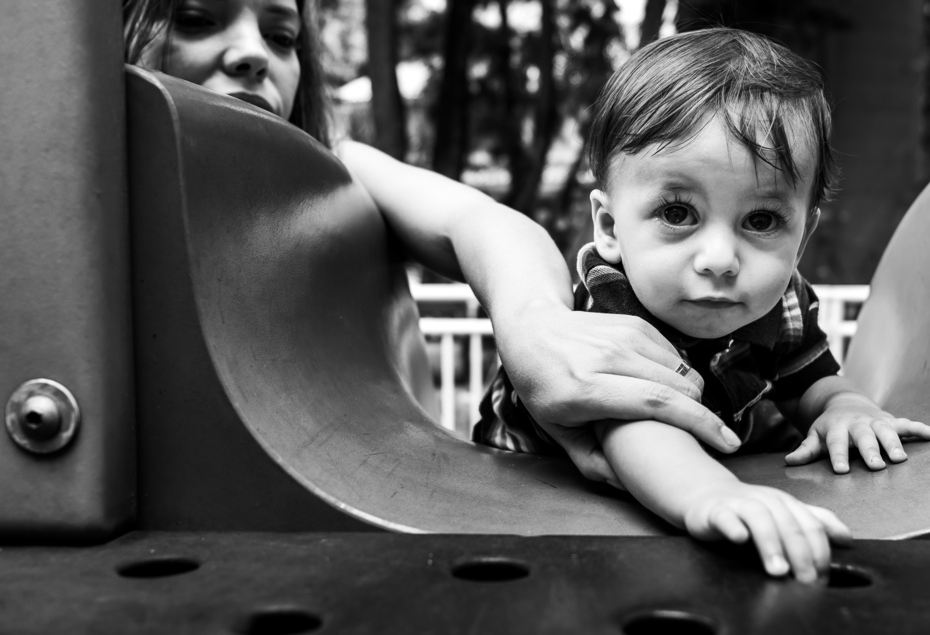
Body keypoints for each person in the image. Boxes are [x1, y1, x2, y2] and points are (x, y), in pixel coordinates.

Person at [120, 0, 752, 488]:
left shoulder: (333, 165)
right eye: (197, 19)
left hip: (359, 472)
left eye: (282, 35)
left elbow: (479, 222)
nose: (254, 53)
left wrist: (533, 321)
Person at [475, 28, 930, 583]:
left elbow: (813, 381)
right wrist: (714, 494)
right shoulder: (610, 307)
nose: (720, 259)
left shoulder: (781, 303)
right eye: (677, 213)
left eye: (762, 220)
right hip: (524, 494)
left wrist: (846, 409)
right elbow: (635, 430)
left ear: (803, 235)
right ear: (610, 227)